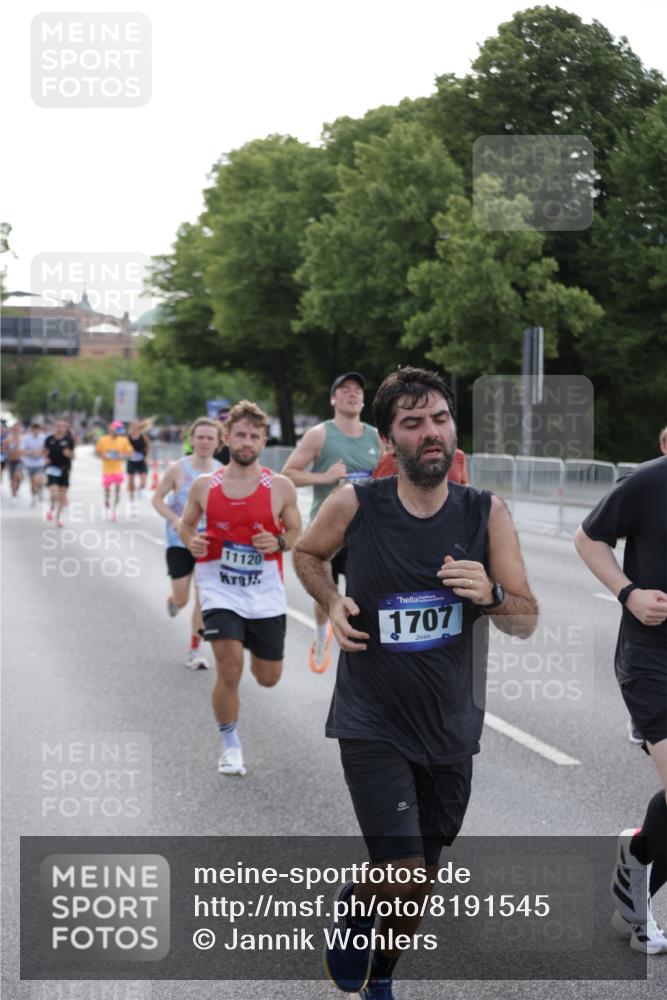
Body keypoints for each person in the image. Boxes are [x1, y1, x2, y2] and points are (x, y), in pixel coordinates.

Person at [293, 367, 538, 999]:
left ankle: (383, 977)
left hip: (452, 726)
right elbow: (307, 554)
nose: (430, 433)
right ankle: (355, 914)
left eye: (439, 420)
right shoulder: (356, 504)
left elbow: (527, 619)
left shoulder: (487, 513)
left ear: (454, 428)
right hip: (371, 719)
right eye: (412, 423)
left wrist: (492, 594)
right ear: (387, 440)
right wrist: (330, 600)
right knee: (401, 868)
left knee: (420, 879)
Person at [575, 456, 667, 955]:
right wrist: (628, 593)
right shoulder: (650, 481)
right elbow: (589, 538)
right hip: (654, 658)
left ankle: (637, 859)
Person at [179, 401, 301, 776]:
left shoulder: (279, 486)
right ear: (226, 437)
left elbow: (297, 532)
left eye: (255, 436)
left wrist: (277, 544)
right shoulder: (205, 486)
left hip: (264, 591)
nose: (247, 442)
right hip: (219, 587)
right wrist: (191, 542)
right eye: (240, 435)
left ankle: (251, 642)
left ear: (264, 441)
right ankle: (230, 744)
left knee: (268, 678)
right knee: (228, 669)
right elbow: (185, 525)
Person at [282, 372, 381, 672]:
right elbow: (289, 473)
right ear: (333, 399)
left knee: (362, 594)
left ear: (363, 400)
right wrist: (324, 477)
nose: (352, 394)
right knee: (327, 590)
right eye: (345, 389)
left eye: (357, 390)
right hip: (326, 530)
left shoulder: (376, 436)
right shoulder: (320, 434)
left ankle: (359, 649)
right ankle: (321, 634)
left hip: (364, 531)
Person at [152, 417, 222, 670]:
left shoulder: (222, 471)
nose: (204, 442)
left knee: (203, 598)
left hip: (208, 543)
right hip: (179, 541)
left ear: (218, 442)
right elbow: (157, 499)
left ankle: (195, 650)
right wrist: (173, 518)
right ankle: (173, 601)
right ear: (192, 440)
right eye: (200, 437)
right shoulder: (177, 469)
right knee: (183, 599)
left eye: (209, 438)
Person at [95, 420, 134, 521]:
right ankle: (107, 501)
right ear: (110, 428)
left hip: (118, 470)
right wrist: (102, 456)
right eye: (115, 428)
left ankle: (114, 511)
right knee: (107, 490)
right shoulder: (103, 439)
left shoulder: (123, 440)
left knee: (117, 491)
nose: (116, 431)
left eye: (118, 429)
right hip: (107, 470)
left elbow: (130, 452)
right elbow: (98, 452)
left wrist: (123, 455)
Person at [373, 444, 469, 483]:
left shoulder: (457, 456)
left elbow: (464, 493)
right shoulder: (392, 458)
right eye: (414, 424)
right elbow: (377, 497)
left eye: (440, 420)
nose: (431, 431)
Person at [44, 417, 75, 527]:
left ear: (66, 428)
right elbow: (45, 452)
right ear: (55, 427)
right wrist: (46, 459)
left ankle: (58, 518)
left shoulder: (69, 440)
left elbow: (73, 456)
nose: (60, 428)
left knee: (62, 495)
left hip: (64, 469)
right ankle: (52, 508)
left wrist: (69, 454)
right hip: (52, 469)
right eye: (58, 426)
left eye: (63, 426)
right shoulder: (49, 439)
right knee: (54, 492)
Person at [22, 420, 47, 506]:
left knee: (39, 479)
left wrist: (41, 452)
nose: (36, 431)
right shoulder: (26, 438)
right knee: (32, 482)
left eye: (37, 429)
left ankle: (40, 490)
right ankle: (33, 497)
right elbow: (23, 451)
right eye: (34, 429)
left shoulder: (43, 438)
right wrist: (31, 452)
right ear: (31, 430)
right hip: (29, 463)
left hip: (39, 463)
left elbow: (46, 450)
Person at [126, 420, 151, 502]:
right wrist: (127, 454)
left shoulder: (143, 437)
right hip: (131, 461)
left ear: (138, 427)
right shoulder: (128, 437)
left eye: (136, 425)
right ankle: (132, 497)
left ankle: (140, 489)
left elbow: (148, 448)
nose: (134, 427)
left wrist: (146, 457)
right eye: (133, 425)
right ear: (131, 427)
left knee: (144, 483)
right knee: (131, 483)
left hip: (141, 461)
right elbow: (123, 448)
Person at [4, 423, 24, 502]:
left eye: (17, 429)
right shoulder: (8, 439)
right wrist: (9, 451)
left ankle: (17, 488)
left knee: (18, 476)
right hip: (11, 461)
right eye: (15, 429)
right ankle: (14, 494)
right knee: (12, 479)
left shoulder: (23, 438)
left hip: (20, 460)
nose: (16, 431)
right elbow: (4, 449)